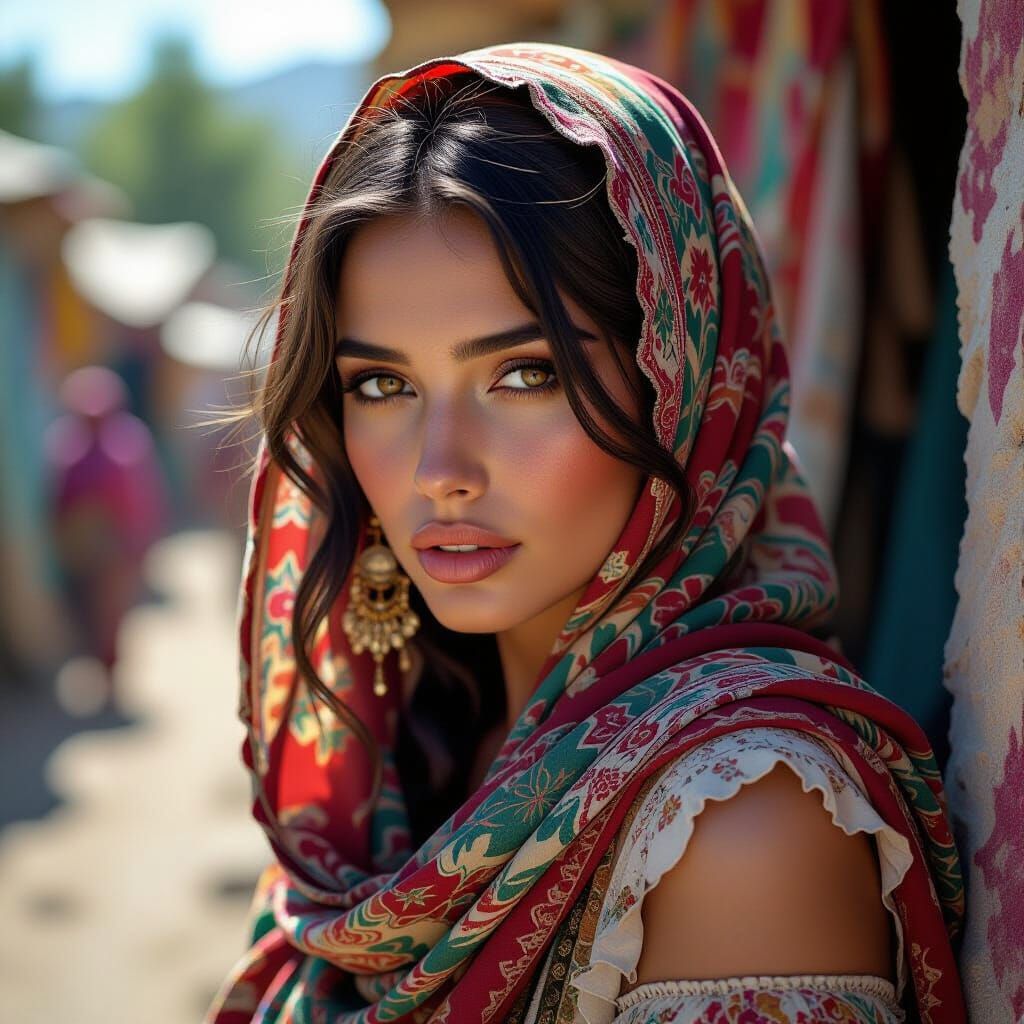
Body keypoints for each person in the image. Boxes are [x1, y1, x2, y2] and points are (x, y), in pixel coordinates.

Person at [204, 43, 966, 1023]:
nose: (439, 468)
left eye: (526, 374)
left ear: (679, 381)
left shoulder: (742, 820)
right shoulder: (397, 759)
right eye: (382, 385)